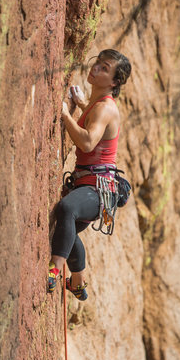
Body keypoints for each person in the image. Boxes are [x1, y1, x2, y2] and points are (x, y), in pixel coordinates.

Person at [48, 49, 131, 300]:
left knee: (66, 209)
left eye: (104, 68)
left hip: (98, 190)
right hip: (89, 186)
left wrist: (65, 115)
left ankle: (54, 270)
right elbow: (92, 115)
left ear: (115, 82)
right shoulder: (97, 105)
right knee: (67, 229)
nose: (95, 68)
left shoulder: (105, 108)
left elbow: (87, 142)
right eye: (97, 63)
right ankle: (77, 282)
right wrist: (81, 103)